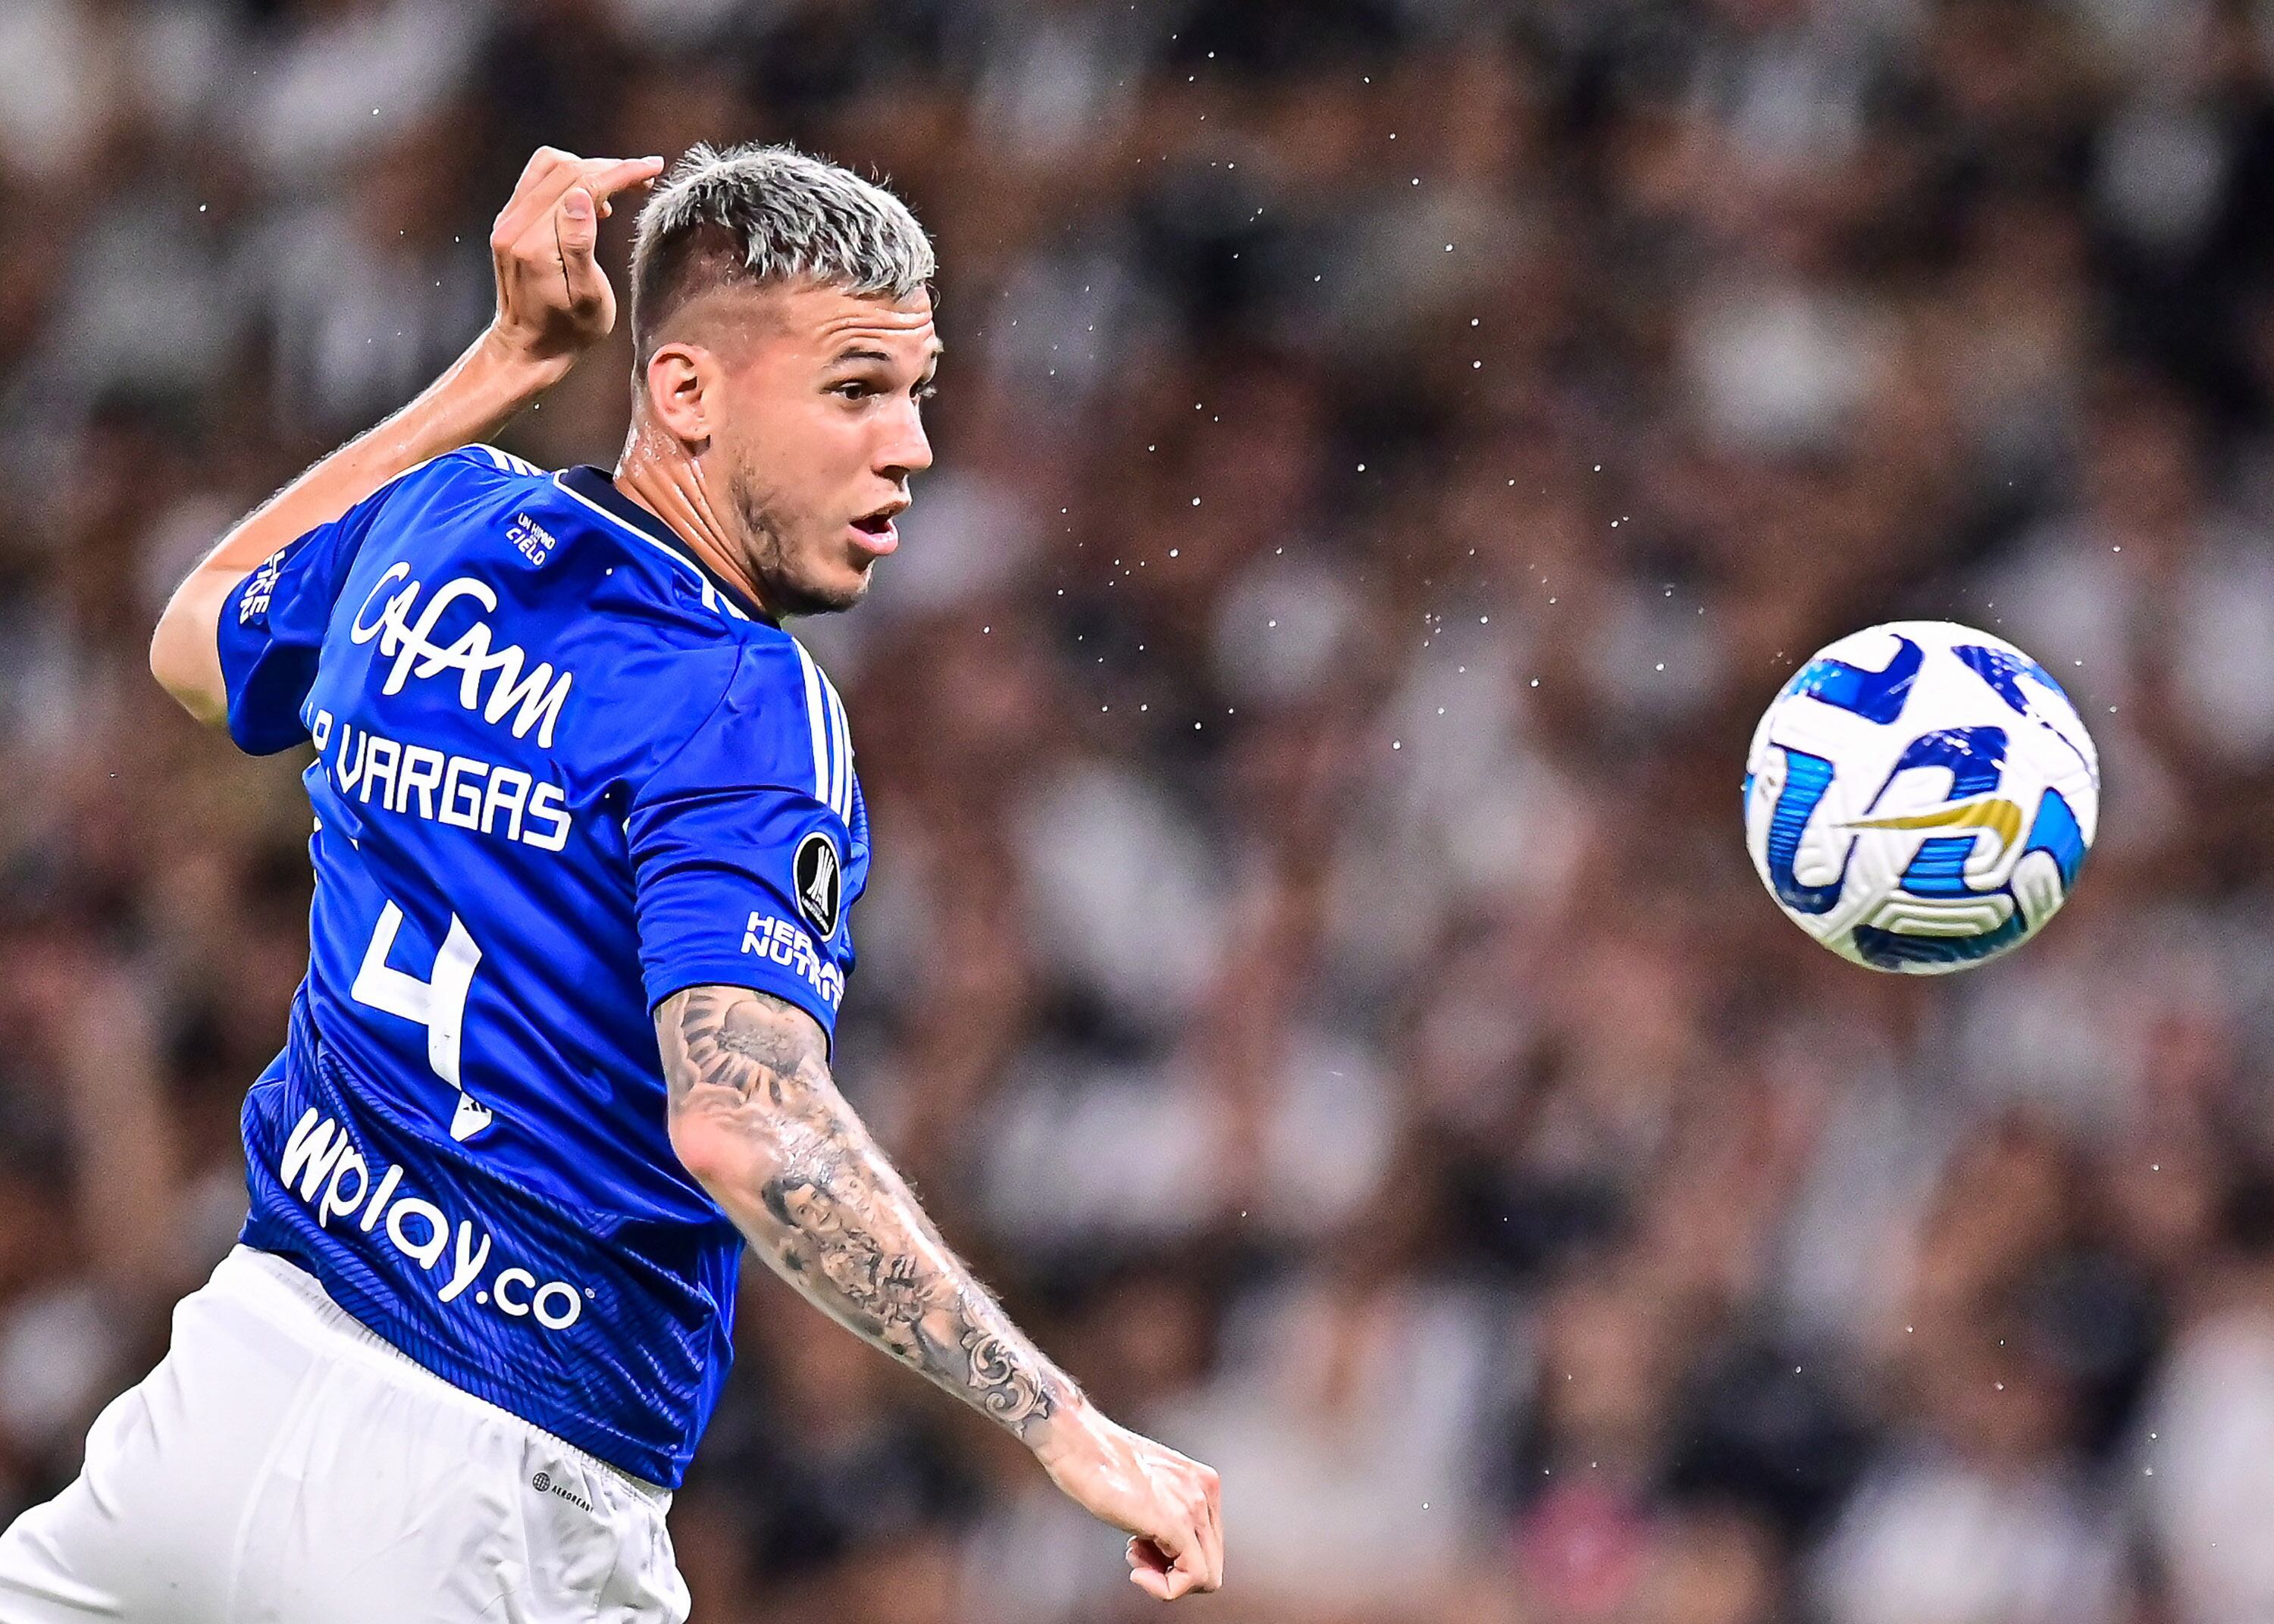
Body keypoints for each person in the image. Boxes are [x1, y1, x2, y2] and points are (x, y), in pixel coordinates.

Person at [0, 143, 1223, 1621]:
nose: (906, 446)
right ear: (690, 391)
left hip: (221, 1400)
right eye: (853, 389)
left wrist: (505, 359)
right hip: (491, 1494)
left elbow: (194, 640)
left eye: (918, 392)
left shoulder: (436, 527)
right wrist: (1063, 1422)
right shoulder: (746, 704)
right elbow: (743, 1129)